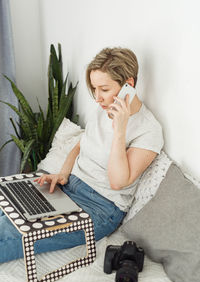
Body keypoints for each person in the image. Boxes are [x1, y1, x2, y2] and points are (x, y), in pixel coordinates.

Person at [0, 47, 164, 263]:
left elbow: (118, 182)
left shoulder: (148, 130)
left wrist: (120, 129)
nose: (97, 98)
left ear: (128, 85)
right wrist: (62, 174)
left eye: (104, 89)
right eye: (94, 89)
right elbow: (80, 144)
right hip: (68, 187)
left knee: (9, 235)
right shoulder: (104, 108)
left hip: (100, 208)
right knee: (7, 209)